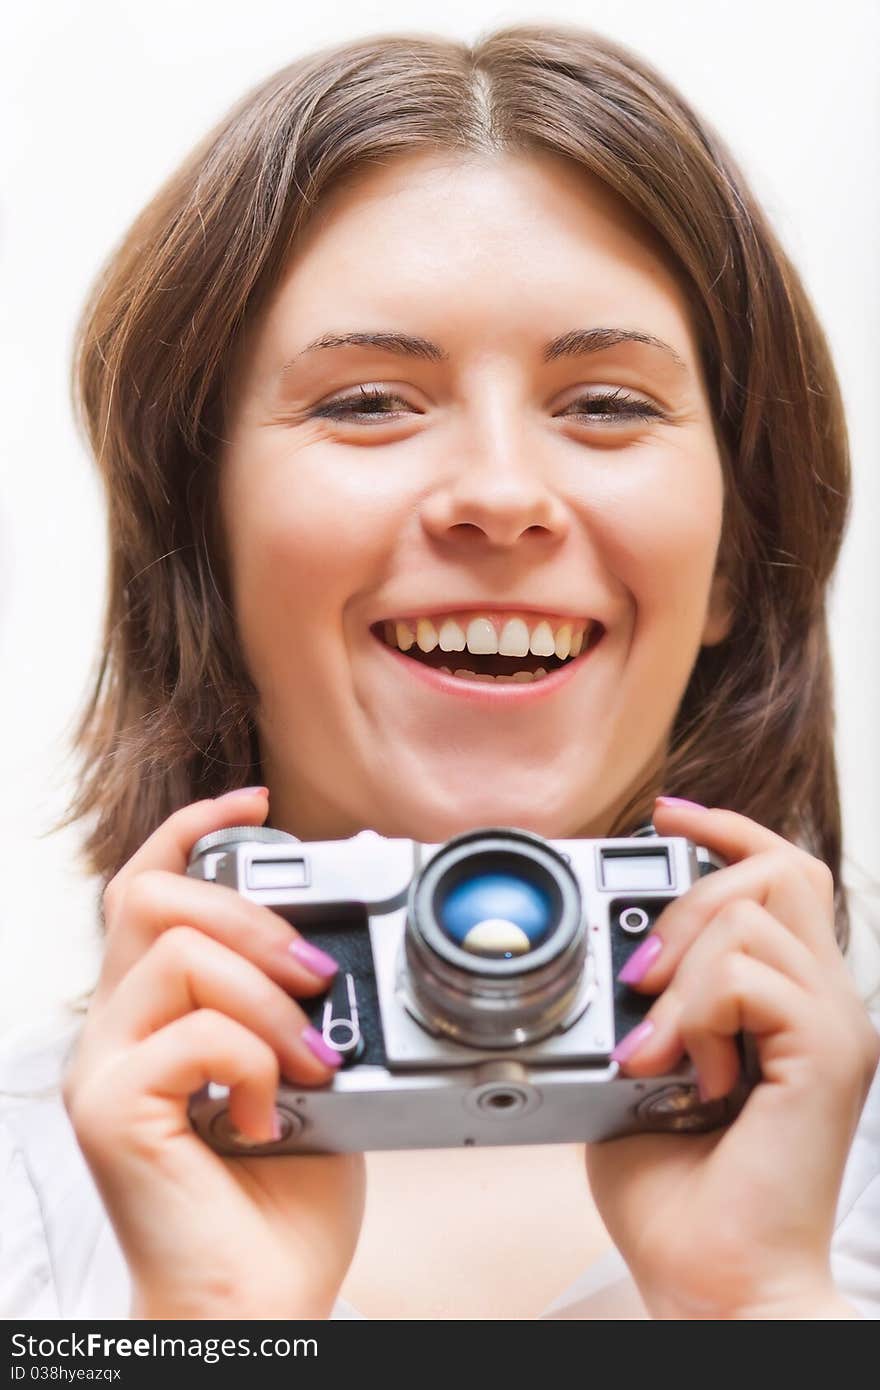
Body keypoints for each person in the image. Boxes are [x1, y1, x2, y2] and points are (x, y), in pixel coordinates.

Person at [2, 22, 879, 1321]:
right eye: (367, 401)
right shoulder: (32, 1193)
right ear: (205, 543)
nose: (501, 495)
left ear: (736, 560)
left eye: (607, 403)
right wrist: (210, 1334)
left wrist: (761, 1304)